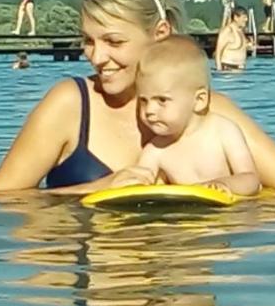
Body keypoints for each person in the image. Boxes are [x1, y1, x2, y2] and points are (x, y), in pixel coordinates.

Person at [0, 0, 275, 196]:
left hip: (184, 288)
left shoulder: (209, 112)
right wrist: (98, 188)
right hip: (101, 291)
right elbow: (0, 202)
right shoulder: (71, 105)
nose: (96, 57)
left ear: (160, 33)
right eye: (88, 40)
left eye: (114, 41)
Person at [109, 36, 260, 197]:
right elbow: (141, 191)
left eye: (162, 100)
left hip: (229, 218)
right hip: (185, 219)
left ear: (199, 100)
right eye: (143, 100)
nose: (149, 110)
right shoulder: (155, 151)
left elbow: (251, 180)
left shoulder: (223, 131)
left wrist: (223, 184)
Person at [214, 6, 250, 72]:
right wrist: (219, 71)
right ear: (236, 17)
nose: (246, 20)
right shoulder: (227, 31)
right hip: (228, 69)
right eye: (244, 17)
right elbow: (218, 52)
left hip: (240, 69)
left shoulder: (240, 31)